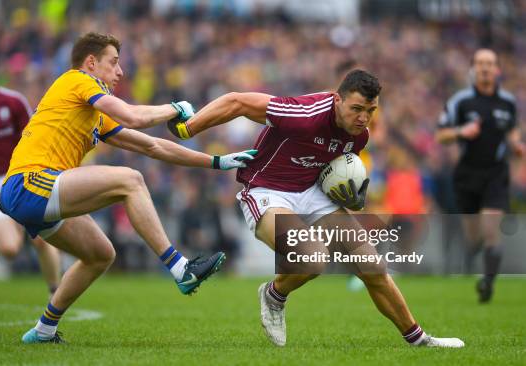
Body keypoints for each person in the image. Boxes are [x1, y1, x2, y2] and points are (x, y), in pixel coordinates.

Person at [167, 70, 464, 348]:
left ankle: (419, 339)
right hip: (268, 191)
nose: (363, 118)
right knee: (312, 259)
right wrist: (189, 127)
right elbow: (237, 101)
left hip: (312, 192)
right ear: (338, 100)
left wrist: (350, 196)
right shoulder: (303, 114)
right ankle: (274, 295)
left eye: (371, 111)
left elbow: (332, 171)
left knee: (372, 266)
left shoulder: (359, 136)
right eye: (357, 109)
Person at [0, 32, 257, 343]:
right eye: (114, 63)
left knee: (100, 255)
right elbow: (133, 116)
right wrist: (174, 108)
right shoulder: (77, 79)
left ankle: (43, 330)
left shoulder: (94, 114)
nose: (121, 71)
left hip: (41, 192)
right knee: (130, 180)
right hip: (29, 183)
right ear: (91, 63)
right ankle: (180, 268)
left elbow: (153, 147)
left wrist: (217, 162)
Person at [436, 49, 524, 303]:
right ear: (473, 69)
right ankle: (472, 253)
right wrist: (462, 131)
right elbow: (441, 135)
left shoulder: (507, 101)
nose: (485, 68)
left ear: (497, 69)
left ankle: (488, 282)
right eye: (480, 63)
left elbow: (512, 130)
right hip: (467, 174)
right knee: (473, 236)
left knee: (491, 228)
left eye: (490, 63)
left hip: (496, 173)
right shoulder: (460, 101)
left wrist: (517, 144)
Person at [0, 50, 61, 292]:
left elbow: (34, 139)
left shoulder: (13, 101)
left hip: (21, 176)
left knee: (43, 239)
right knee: (9, 248)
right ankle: (20, 221)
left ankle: (57, 293)